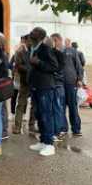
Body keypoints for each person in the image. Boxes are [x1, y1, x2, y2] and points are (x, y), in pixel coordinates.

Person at [28, 27, 59, 157]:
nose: (31, 34)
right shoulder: (33, 48)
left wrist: (39, 62)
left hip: (45, 87)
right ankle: (42, 140)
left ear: (40, 36)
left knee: (46, 115)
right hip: (36, 86)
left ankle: (49, 144)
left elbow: (54, 66)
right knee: (39, 114)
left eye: (34, 32)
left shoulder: (46, 49)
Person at [55, 33, 84, 138]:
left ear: (59, 40)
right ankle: (63, 128)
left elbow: (79, 65)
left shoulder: (71, 51)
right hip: (59, 83)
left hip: (71, 82)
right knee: (61, 106)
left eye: (55, 41)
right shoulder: (54, 52)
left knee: (72, 106)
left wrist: (80, 79)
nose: (55, 43)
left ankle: (76, 129)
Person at [12, 35, 31, 134]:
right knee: (20, 104)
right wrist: (28, 69)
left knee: (35, 105)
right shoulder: (20, 53)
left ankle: (32, 125)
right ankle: (17, 126)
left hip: (36, 82)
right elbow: (18, 65)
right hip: (24, 82)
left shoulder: (36, 52)